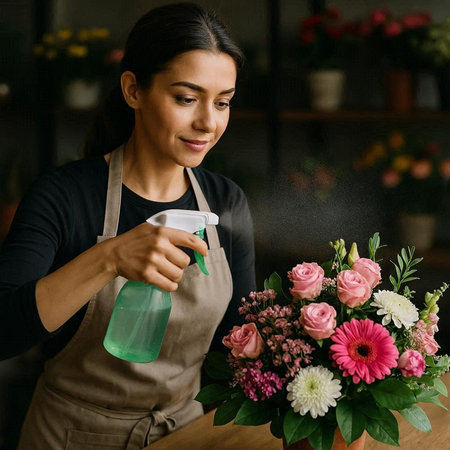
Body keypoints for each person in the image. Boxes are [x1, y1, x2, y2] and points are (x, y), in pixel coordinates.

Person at [0, 3, 255, 449]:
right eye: (186, 98)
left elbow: (236, 348)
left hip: (185, 436)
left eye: (223, 102)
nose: (208, 123)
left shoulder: (225, 202)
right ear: (133, 90)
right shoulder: (63, 196)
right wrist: (109, 257)